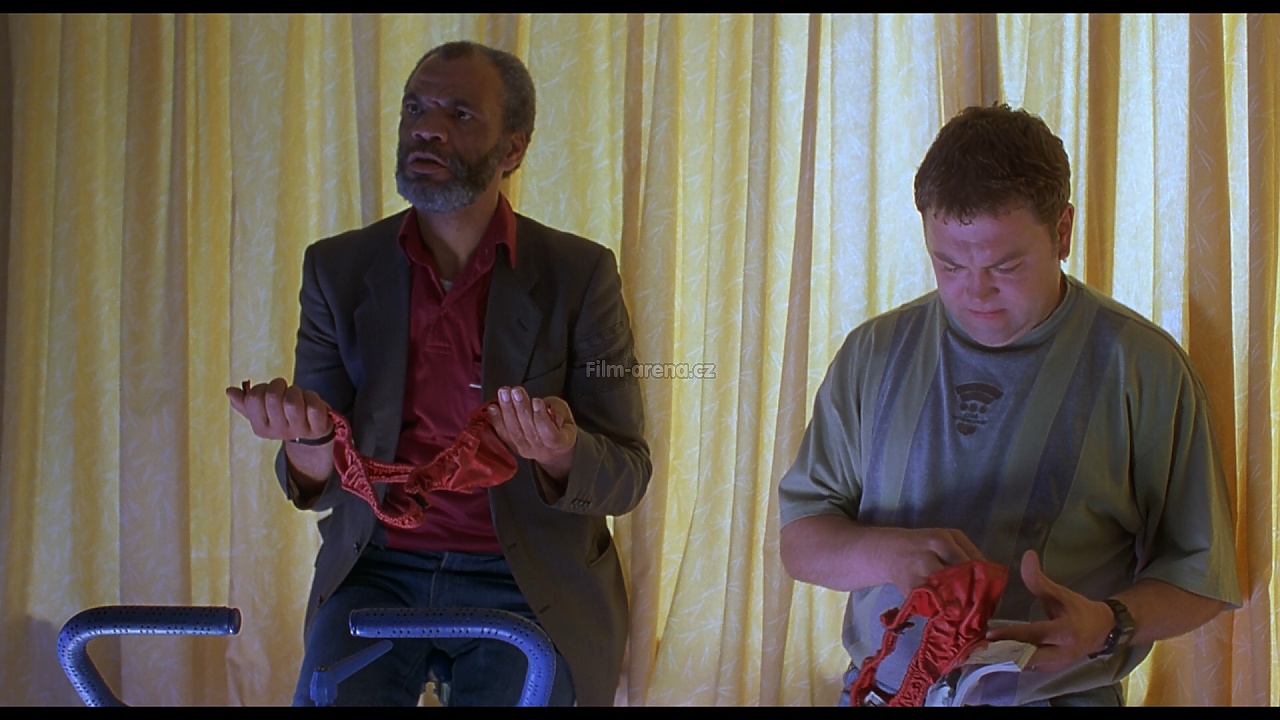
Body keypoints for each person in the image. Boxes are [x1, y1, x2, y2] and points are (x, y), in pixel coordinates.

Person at [226, 40, 651, 706]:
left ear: (512, 149)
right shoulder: (337, 270)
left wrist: (561, 452)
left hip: (528, 582)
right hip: (378, 569)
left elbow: (628, 472)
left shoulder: (579, 275)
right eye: (415, 108)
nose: (426, 128)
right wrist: (306, 441)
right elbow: (321, 482)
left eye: (459, 113)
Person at [777, 103, 1240, 706]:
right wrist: (888, 553)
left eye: (1006, 264)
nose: (975, 291)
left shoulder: (1143, 367)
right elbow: (801, 541)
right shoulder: (872, 353)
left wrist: (1109, 623)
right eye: (948, 263)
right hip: (881, 693)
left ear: (1063, 232)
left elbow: (1202, 577)